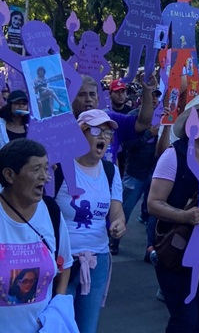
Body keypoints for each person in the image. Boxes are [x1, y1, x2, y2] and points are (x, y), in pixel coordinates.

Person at [147, 94, 199, 333]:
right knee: (185, 320)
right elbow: (153, 203)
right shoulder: (172, 156)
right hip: (175, 251)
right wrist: (185, 216)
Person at [53, 109, 125, 333]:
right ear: (79, 133)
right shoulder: (59, 168)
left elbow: (117, 212)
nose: (103, 136)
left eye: (107, 133)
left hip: (97, 260)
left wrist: (118, 224)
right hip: (61, 261)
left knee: (87, 328)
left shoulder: (111, 171)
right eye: (96, 130)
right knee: (59, 325)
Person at [0, 138, 73, 332]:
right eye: (36, 169)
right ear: (9, 175)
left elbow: (64, 265)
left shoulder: (51, 212)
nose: (46, 177)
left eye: (46, 168)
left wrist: (57, 309)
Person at [110, 88, 162, 255]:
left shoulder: (163, 117)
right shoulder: (134, 117)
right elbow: (127, 146)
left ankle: (150, 248)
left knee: (154, 212)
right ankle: (114, 241)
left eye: (157, 96)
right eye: (152, 95)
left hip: (155, 172)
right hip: (135, 172)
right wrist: (148, 134)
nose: (154, 100)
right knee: (124, 208)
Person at [71, 74, 155, 164]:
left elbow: (143, 123)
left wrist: (147, 90)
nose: (88, 99)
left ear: (98, 99)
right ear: (72, 98)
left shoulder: (111, 120)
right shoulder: (62, 127)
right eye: (82, 95)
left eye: (92, 94)